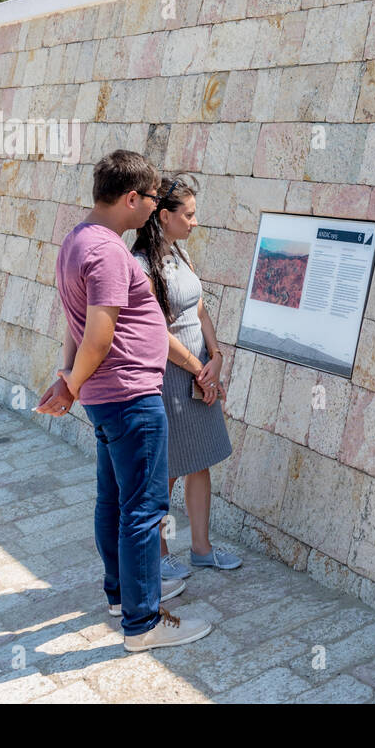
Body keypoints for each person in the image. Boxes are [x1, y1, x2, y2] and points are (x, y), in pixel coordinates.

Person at [36, 149, 212, 652]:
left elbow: (76, 326)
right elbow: (98, 333)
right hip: (130, 394)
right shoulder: (110, 253)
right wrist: (69, 384)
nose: (154, 209)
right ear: (131, 198)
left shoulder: (76, 241)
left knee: (114, 498)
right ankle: (142, 622)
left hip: (106, 395)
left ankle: (121, 596)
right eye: (153, 200)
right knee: (143, 508)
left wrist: (69, 378)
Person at [130, 174, 240, 580]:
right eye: (188, 215)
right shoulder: (141, 266)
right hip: (171, 379)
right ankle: (157, 553)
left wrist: (216, 356)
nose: (195, 222)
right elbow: (157, 332)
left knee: (201, 460)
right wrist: (200, 372)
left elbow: (199, 310)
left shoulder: (180, 256)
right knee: (168, 468)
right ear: (163, 216)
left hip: (199, 374)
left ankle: (201, 547)